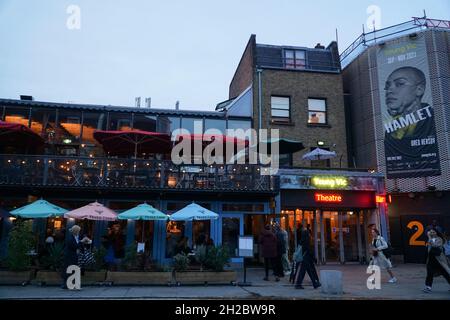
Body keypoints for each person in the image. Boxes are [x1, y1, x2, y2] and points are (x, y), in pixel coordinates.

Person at [383, 66, 439, 174]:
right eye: (387, 86)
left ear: (419, 90)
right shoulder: (391, 131)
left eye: (399, 84)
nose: (389, 90)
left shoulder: (436, 121)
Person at [61, 225, 89, 289]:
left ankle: (70, 284)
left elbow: (78, 245)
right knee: (70, 270)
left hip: (74, 256)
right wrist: (81, 241)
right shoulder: (70, 238)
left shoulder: (75, 237)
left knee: (73, 270)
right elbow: (75, 246)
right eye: (78, 231)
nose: (79, 232)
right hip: (70, 257)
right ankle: (67, 285)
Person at [422, 229, 450, 293]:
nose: (432, 233)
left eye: (433, 232)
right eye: (431, 232)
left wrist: (429, 238)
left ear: (436, 233)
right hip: (431, 260)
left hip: (439, 260)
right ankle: (428, 287)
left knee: (445, 273)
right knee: (429, 273)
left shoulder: (439, 239)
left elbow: (435, 245)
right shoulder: (429, 239)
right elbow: (428, 248)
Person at [294, 223, 321, 289]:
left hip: (305, 257)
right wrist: (314, 258)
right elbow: (309, 250)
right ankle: (299, 284)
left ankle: (314, 283)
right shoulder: (306, 241)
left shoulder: (301, 241)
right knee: (304, 271)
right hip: (306, 257)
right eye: (308, 234)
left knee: (308, 270)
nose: (309, 235)